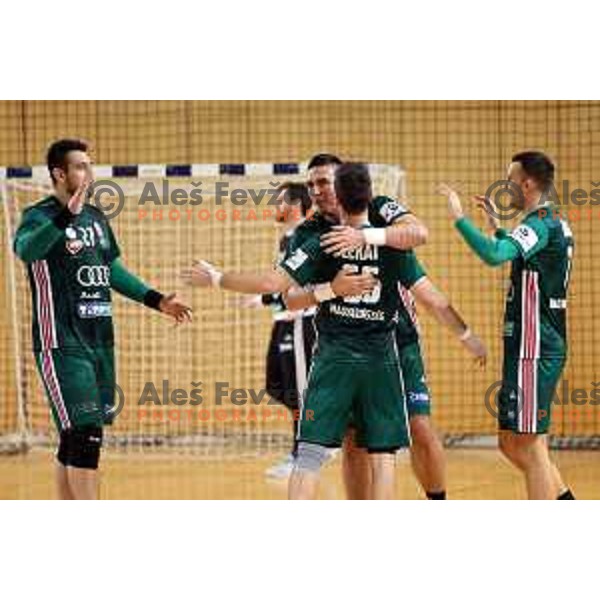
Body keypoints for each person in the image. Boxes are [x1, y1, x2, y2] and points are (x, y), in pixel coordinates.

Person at [13, 139, 192, 499]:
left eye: (89, 165)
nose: (88, 173)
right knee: (85, 433)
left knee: (76, 437)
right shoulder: (39, 215)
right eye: (80, 166)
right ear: (59, 174)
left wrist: (157, 300)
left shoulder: (96, 218)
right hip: (61, 343)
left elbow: (109, 269)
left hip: (100, 341)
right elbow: (26, 250)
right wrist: (66, 216)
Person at [438, 150, 576, 499]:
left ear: (527, 183)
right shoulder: (548, 223)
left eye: (510, 178)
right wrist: (497, 225)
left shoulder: (539, 224)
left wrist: (459, 218)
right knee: (514, 443)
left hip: (535, 348)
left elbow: (495, 255)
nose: (506, 185)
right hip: (532, 346)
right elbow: (515, 251)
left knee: (528, 447)